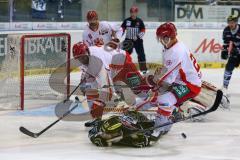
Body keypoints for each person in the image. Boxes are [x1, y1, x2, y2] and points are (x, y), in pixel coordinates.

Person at [137, 22, 202, 135]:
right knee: (155, 97)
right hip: (182, 81)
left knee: (163, 99)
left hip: (190, 85)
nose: (161, 40)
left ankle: (159, 128)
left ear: (168, 37)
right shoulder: (173, 46)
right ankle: (169, 117)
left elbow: (166, 80)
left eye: (162, 38)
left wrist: (150, 86)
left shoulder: (176, 52)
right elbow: (167, 72)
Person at [121, 6, 148, 74]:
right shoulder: (127, 20)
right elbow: (122, 29)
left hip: (137, 41)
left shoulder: (139, 21)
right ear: (130, 13)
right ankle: (124, 69)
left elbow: (143, 30)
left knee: (141, 55)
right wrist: (118, 36)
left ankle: (143, 69)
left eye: (134, 12)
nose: (133, 14)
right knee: (125, 55)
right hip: (128, 40)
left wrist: (138, 37)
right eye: (132, 12)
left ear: (136, 13)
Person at [221, 15, 240, 96]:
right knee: (228, 68)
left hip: (237, 50)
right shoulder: (226, 30)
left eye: (232, 22)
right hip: (235, 51)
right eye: (229, 22)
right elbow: (226, 42)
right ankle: (224, 88)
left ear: (236, 22)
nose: (230, 24)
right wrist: (224, 50)